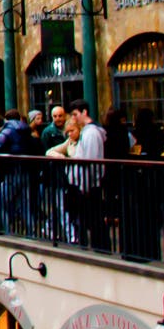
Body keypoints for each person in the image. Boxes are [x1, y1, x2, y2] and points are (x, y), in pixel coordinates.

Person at [68, 99, 110, 251]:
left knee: (95, 219)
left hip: (89, 185)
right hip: (87, 184)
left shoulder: (91, 133)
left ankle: (101, 248)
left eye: (75, 114)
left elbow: (90, 160)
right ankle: (98, 247)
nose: (74, 119)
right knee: (91, 219)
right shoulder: (88, 132)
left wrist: (85, 185)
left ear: (84, 112)